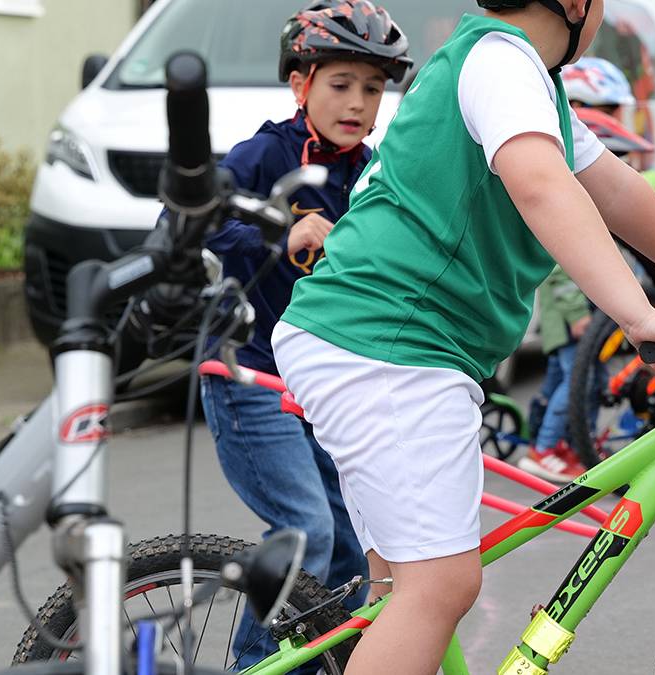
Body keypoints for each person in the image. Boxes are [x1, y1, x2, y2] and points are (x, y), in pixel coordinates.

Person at [269, 0, 655, 672]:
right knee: (440, 585)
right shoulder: (501, 63)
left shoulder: (524, 77)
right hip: (389, 342)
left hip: (381, 340)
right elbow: (541, 185)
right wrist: (640, 314)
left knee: (402, 588)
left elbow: (616, 190)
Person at [191, 1, 411, 668]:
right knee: (305, 530)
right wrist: (278, 233)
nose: (358, 103)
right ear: (300, 84)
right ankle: (255, 666)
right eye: (340, 84)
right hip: (245, 373)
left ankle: (319, 663)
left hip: (319, 385)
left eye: (373, 89)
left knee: (349, 547)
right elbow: (192, 219)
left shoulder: (369, 171)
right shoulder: (267, 152)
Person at [519, 265, 594, 482]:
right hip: (567, 324)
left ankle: (557, 446)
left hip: (562, 324)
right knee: (576, 382)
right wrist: (577, 313)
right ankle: (544, 448)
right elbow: (560, 271)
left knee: (557, 381)